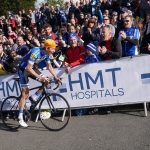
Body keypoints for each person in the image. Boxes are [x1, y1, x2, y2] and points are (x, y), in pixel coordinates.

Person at [18, 39, 61, 127]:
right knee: (25, 93)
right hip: (23, 69)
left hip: (31, 69)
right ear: (47, 47)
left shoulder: (47, 54)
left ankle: (34, 97)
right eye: (53, 49)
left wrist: (56, 78)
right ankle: (20, 116)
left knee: (47, 81)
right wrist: (40, 77)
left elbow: (49, 67)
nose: (54, 50)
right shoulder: (36, 52)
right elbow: (28, 69)